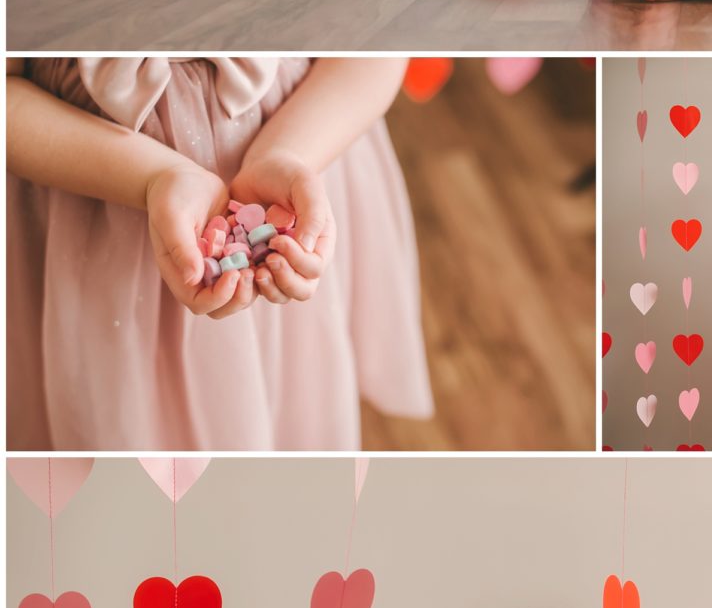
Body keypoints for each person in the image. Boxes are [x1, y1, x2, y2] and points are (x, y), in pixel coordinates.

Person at [6, 56, 432, 449]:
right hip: (84, 195)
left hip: (305, 128)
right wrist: (153, 177)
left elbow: (377, 49)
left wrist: (288, 152)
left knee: (292, 397)